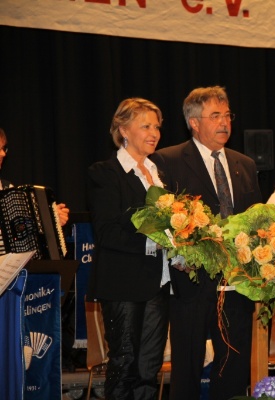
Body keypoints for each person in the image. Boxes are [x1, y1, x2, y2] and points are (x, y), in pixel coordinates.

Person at [151, 86, 262, 400]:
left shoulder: (244, 164)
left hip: (238, 282)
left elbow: (256, 220)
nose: (225, 122)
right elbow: (161, 219)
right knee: (187, 368)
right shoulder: (168, 160)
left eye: (227, 115)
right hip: (191, 282)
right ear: (194, 122)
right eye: (215, 116)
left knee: (234, 367)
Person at [86, 98, 170, 399]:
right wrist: (152, 242)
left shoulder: (158, 171)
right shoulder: (105, 172)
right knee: (124, 365)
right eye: (145, 126)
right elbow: (107, 232)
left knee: (149, 370)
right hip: (123, 283)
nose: (154, 133)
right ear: (123, 130)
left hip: (159, 282)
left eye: (157, 127)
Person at [0, 127, 69, 225]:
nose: (3, 154)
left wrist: (51, 218)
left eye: (3, 148)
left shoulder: (7, 189)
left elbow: (22, 226)